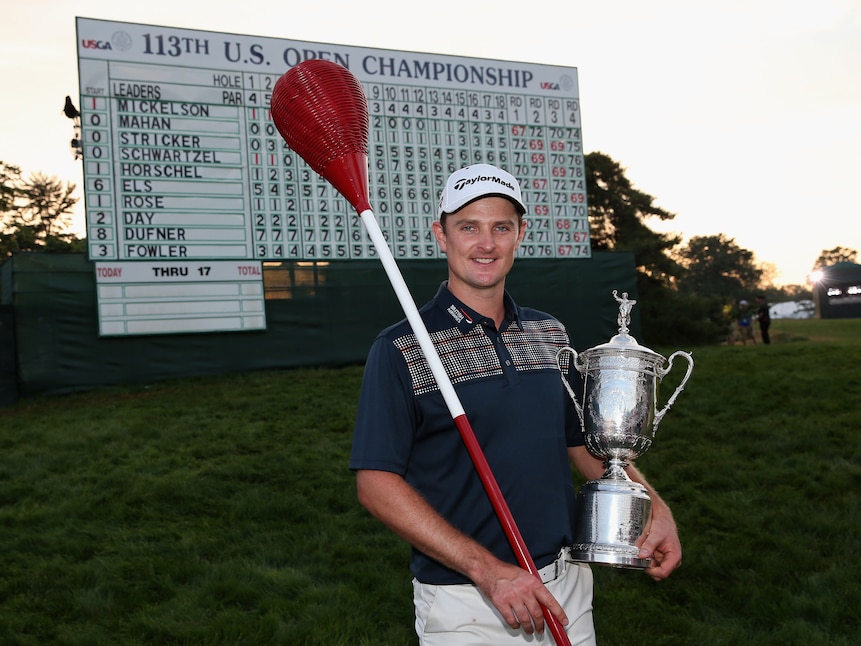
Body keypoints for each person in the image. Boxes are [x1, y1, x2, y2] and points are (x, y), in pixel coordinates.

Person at [350, 163, 682, 645]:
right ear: (442, 236)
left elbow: (584, 443)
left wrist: (654, 508)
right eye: (469, 227)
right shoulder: (402, 347)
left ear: (519, 235)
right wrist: (489, 571)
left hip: (564, 588)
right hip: (467, 601)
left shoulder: (550, 334)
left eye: (500, 227)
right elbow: (376, 484)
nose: (486, 244)